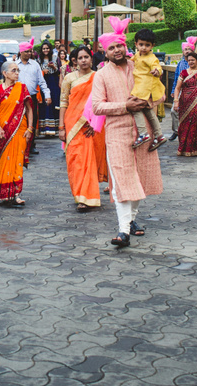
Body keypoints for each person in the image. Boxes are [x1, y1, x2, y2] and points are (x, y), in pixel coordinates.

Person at [90, 20, 163, 248]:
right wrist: (124, 106)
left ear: (125, 45)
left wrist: (146, 99)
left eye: (119, 46)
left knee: (140, 178)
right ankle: (123, 231)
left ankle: (131, 220)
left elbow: (155, 92)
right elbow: (97, 107)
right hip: (117, 133)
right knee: (121, 181)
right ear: (105, 52)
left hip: (143, 132)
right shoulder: (101, 75)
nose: (116, 50)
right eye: (111, 48)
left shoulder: (138, 65)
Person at [59, 46, 108, 211]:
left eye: (86, 57)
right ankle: (80, 193)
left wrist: (95, 123)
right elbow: (64, 103)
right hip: (72, 124)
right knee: (75, 160)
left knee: (88, 161)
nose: (83, 60)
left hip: (91, 125)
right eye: (80, 58)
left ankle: (87, 197)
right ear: (75, 61)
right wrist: (61, 127)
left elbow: (102, 101)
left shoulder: (98, 77)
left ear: (91, 58)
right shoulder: (69, 78)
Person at [0, 60, 33, 206]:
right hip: (3, 130)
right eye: (14, 70)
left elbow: (29, 109)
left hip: (20, 128)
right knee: (6, 160)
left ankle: (16, 193)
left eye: (18, 70)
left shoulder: (22, 88)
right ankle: (3, 193)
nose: (17, 73)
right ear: (4, 73)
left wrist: (30, 128)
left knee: (17, 160)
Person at [128, 26, 168, 151]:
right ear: (136, 44)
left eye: (147, 45)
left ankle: (143, 133)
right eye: (141, 44)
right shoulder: (138, 55)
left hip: (144, 88)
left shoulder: (151, 58)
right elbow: (132, 59)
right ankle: (159, 134)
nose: (144, 47)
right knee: (149, 112)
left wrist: (157, 71)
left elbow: (158, 67)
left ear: (152, 46)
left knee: (135, 108)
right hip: (141, 87)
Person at [13, 39, 50, 155]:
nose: (30, 54)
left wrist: (47, 95)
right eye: (27, 52)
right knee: (18, 121)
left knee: (32, 121)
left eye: (31, 52)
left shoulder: (35, 65)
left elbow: (42, 82)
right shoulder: (14, 65)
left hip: (32, 97)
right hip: (18, 97)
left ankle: (31, 144)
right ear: (21, 52)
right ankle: (19, 143)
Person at [168, 38, 196, 141]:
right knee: (173, 111)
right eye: (185, 49)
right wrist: (173, 91)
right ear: (183, 51)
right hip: (180, 91)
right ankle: (176, 131)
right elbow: (176, 78)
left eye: (189, 49)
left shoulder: (195, 63)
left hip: (191, 92)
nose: (187, 51)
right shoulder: (180, 64)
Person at [38, 41, 61, 137]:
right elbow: (37, 70)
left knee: (54, 102)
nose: (45, 50)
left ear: (50, 49)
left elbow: (59, 70)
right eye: (44, 49)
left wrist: (53, 67)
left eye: (47, 48)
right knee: (44, 102)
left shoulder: (55, 57)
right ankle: (45, 128)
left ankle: (54, 128)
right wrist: (43, 71)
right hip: (44, 81)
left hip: (53, 80)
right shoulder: (39, 59)